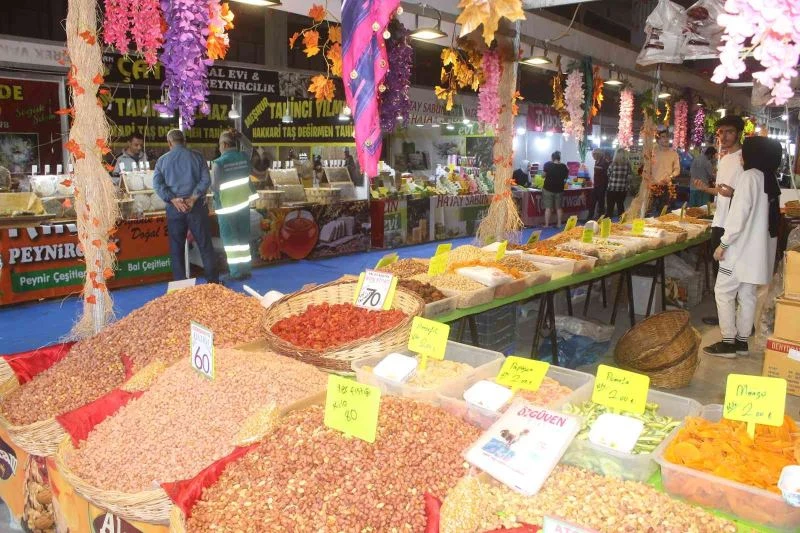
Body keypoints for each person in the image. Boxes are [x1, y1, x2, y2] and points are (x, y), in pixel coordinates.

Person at [703, 136, 782, 358]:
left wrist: (723, 244)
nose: (741, 158)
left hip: (738, 250)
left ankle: (728, 341)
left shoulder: (749, 177)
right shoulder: (769, 178)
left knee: (723, 292)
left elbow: (738, 217)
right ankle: (741, 342)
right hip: (757, 253)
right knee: (747, 296)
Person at [152, 129, 218, 283]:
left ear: (169, 143)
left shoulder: (162, 161)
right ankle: (213, 284)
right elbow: (205, 179)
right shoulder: (197, 157)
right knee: (205, 245)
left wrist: (173, 199)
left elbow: (157, 184)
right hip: (196, 208)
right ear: (184, 141)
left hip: (175, 209)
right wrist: (194, 198)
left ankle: (180, 287)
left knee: (177, 249)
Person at [701, 115, 744, 325]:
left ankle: (736, 322)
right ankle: (725, 317)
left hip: (734, 224)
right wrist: (705, 189)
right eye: (720, 132)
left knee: (732, 274)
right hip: (719, 221)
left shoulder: (746, 159)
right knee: (720, 272)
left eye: (729, 131)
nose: (724, 136)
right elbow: (721, 191)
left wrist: (733, 194)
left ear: (738, 133)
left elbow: (747, 194)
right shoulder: (724, 158)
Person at [212, 130, 257, 281]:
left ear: (224, 144)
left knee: (231, 241)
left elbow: (215, 187)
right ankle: (246, 269)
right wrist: (242, 137)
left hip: (227, 207)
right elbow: (250, 147)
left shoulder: (218, 163)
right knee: (243, 237)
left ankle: (236, 273)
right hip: (243, 204)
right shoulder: (243, 157)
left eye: (220, 145)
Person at [645, 129, 681, 216]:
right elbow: (645, 169)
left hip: (666, 187)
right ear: (658, 139)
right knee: (648, 213)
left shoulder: (674, 154)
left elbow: (677, 170)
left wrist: (671, 176)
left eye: (667, 137)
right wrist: (649, 179)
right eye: (663, 137)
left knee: (664, 213)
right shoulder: (652, 153)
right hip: (652, 186)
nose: (666, 139)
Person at [542, 151, 568, 227]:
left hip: (548, 189)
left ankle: (546, 224)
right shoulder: (564, 166)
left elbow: (543, 176)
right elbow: (566, 177)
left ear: (552, 158)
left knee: (548, 208)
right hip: (559, 189)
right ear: (559, 158)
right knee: (559, 208)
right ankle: (559, 224)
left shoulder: (547, 165)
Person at [606, 149, 631, 218]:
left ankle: (607, 224)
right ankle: (621, 223)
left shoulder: (612, 164)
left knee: (610, 208)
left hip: (612, 188)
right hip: (622, 189)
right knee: (620, 206)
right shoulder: (628, 165)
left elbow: (608, 174)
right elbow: (629, 177)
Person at [589, 150, 609, 219]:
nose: (593, 156)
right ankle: (589, 217)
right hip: (596, 185)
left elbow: (606, 175)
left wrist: (604, 187)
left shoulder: (604, 162)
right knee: (592, 202)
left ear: (597, 155)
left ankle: (601, 218)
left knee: (601, 203)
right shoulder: (596, 162)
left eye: (593, 155)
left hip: (602, 186)